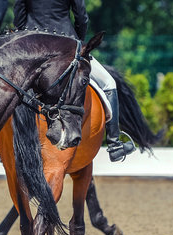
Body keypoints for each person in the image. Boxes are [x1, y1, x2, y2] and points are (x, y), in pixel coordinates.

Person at [13, 0, 136, 162]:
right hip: (65, 42)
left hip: (33, 46)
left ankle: (5, 145)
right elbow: (81, 17)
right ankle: (115, 144)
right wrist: (77, 45)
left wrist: (27, 40)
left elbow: (19, 16)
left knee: (12, 88)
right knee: (108, 83)